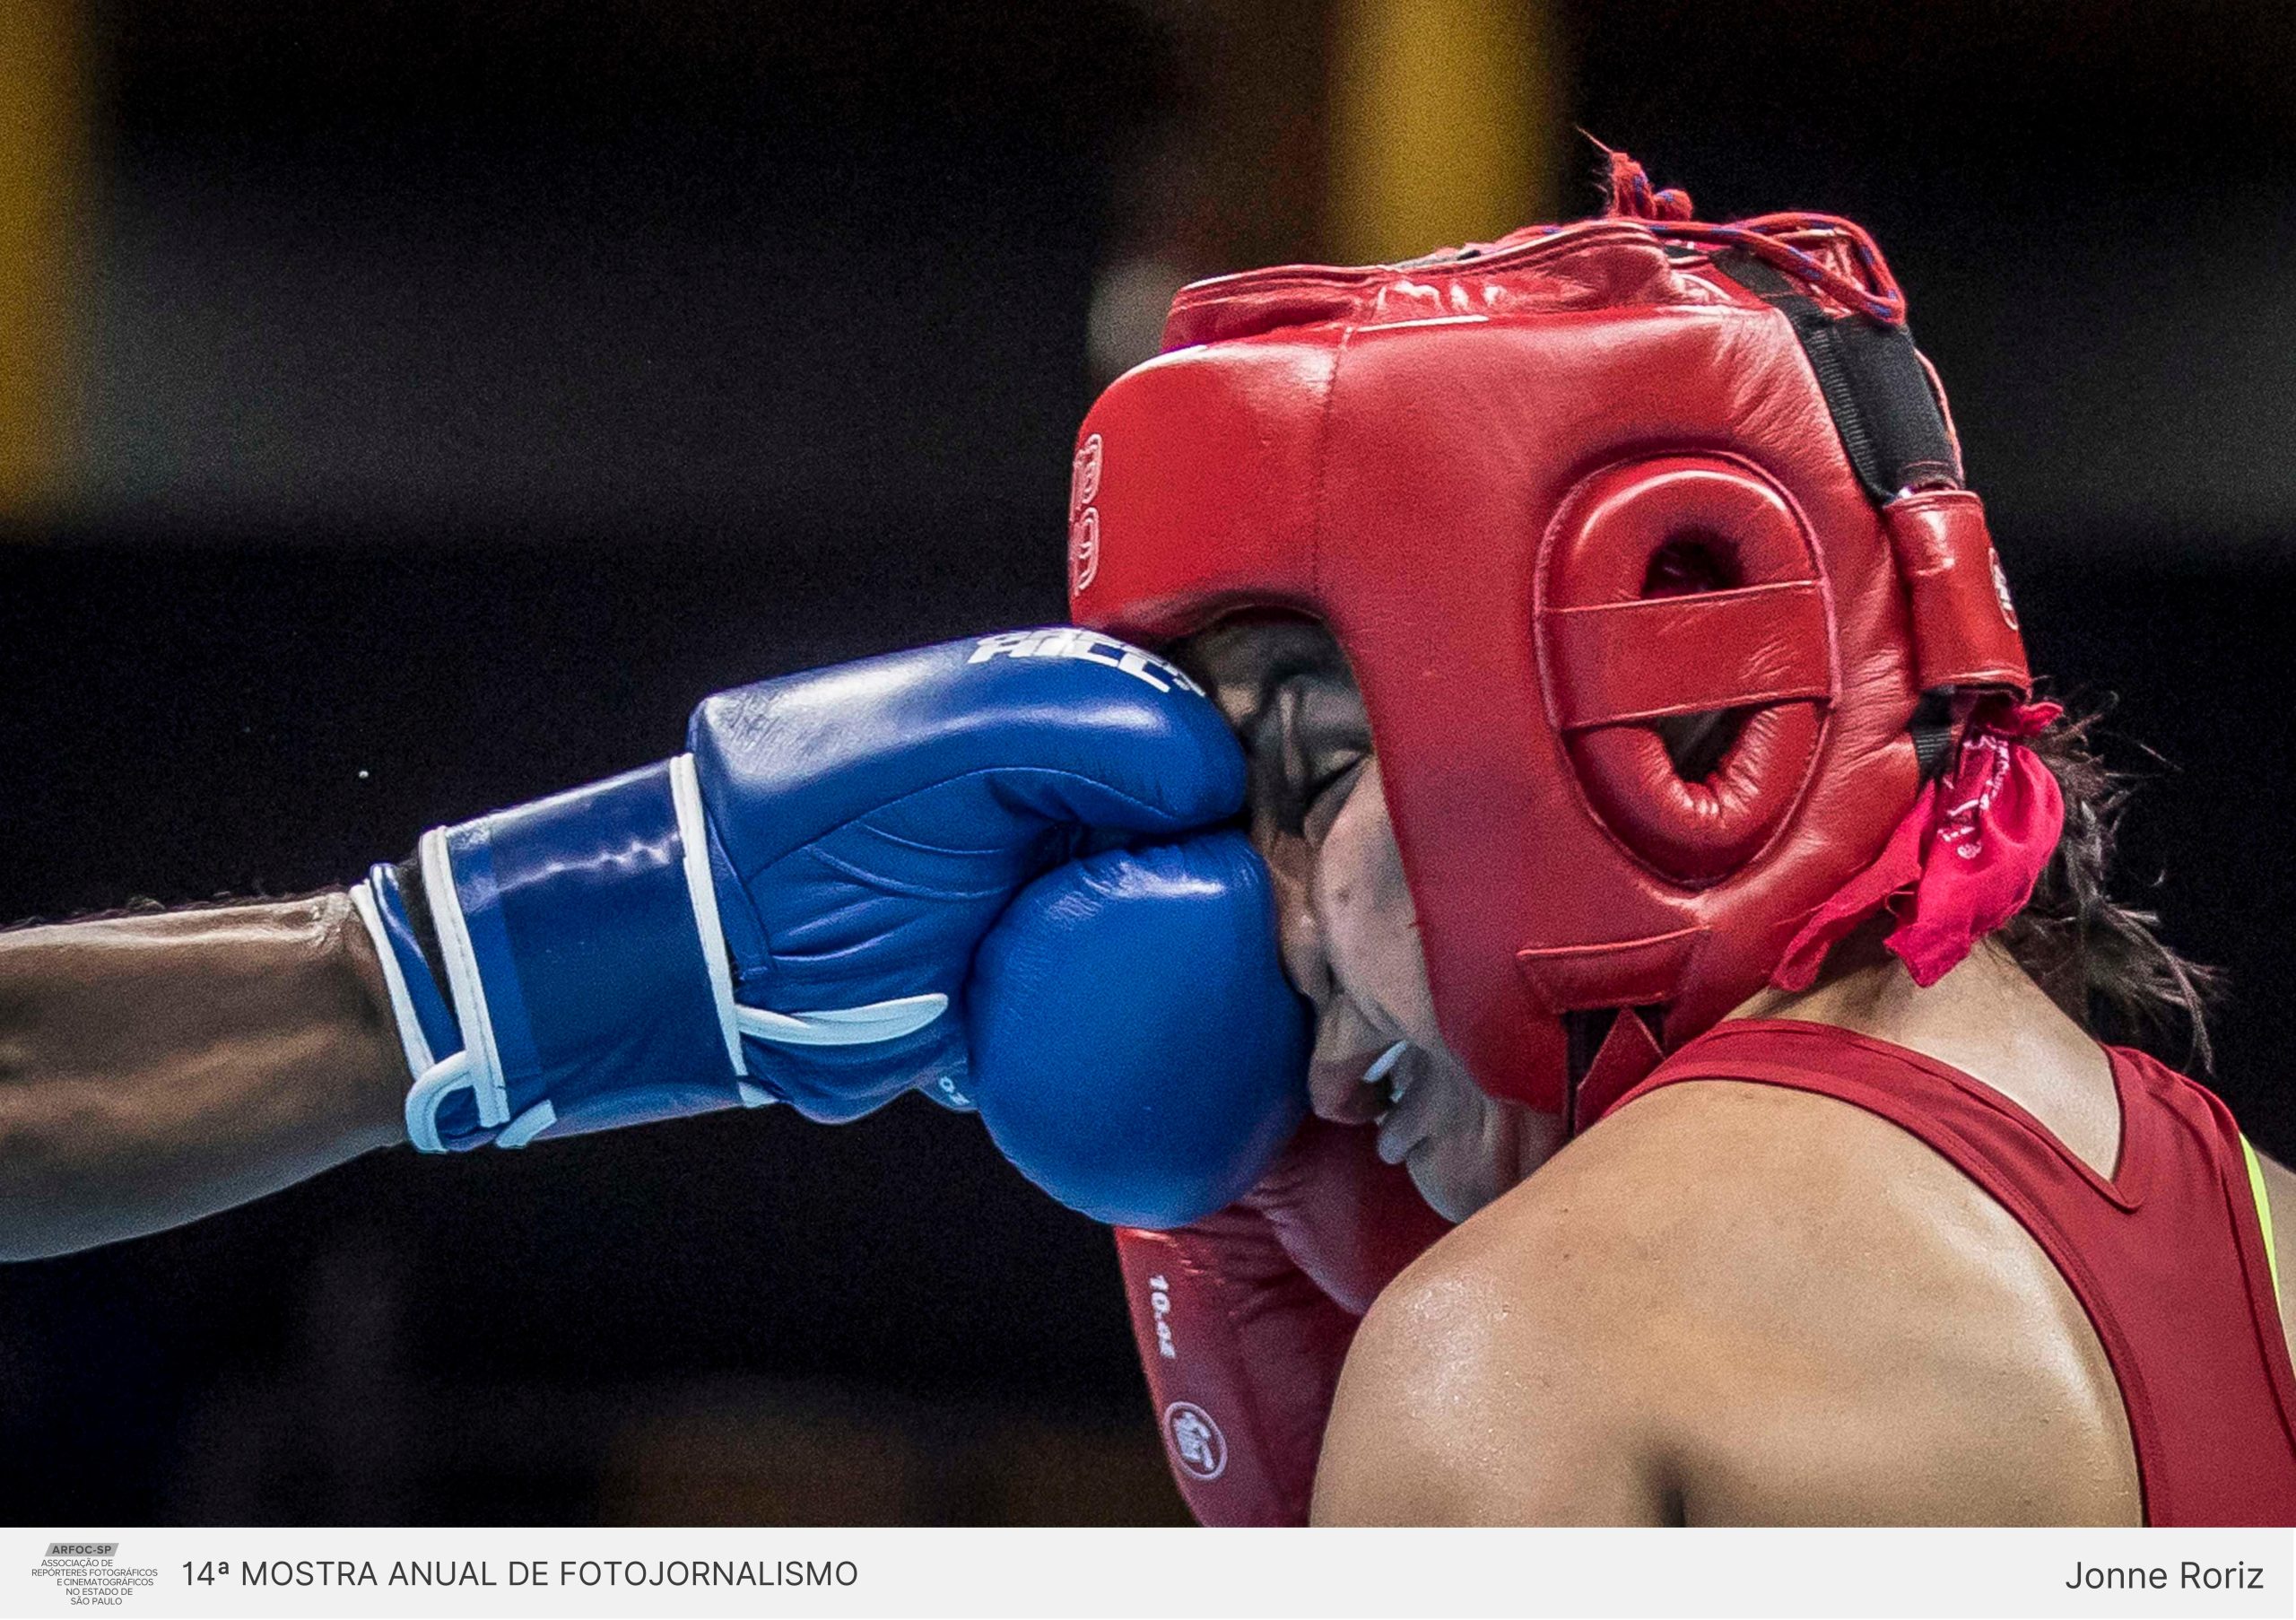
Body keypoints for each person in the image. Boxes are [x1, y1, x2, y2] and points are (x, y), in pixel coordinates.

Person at [4, 155, 2291, 1528]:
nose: (1257, 961)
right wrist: (463, 980)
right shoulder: (2267, 1238)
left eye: (1289, 800)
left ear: (1644, 733)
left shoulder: (1531, 1352)